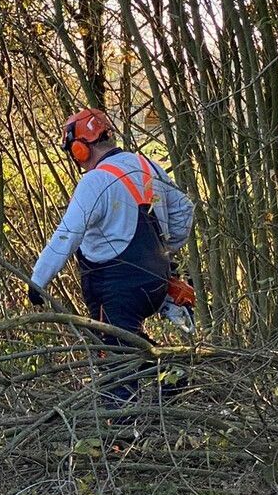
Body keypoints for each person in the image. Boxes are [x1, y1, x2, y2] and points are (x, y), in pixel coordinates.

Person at [28, 109, 195, 403]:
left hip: (115, 288)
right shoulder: (149, 167)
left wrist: (38, 280)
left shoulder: (95, 182)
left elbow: (67, 235)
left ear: (80, 148)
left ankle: (120, 435)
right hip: (156, 281)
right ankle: (168, 379)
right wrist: (166, 249)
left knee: (115, 360)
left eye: (73, 151)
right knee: (128, 343)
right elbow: (184, 210)